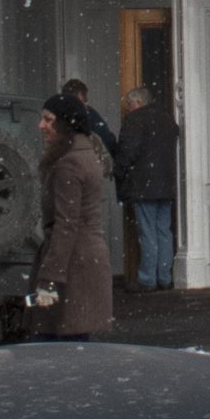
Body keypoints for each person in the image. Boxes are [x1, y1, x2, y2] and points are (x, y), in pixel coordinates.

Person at [30, 93, 114, 340]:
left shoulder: (69, 164)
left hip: (73, 266)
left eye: (48, 119)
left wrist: (49, 279)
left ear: (66, 123)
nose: (41, 126)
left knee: (59, 352)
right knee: (75, 349)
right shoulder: (84, 154)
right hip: (84, 261)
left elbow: (66, 225)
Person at [114, 84, 178, 292]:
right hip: (166, 184)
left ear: (138, 103)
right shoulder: (168, 119)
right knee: (164, 232)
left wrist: (119, 171)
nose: (128, 109)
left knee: (147, 232)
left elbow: (127, 152)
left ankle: (147, 279)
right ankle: (165, 277)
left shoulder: (135, 120)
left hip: (144, 184)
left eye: (129, 105)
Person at [60, 77, 122, 161]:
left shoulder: (59, 116)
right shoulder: (88, 115)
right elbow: (107, 140)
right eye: (84, 101)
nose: (85, 105)